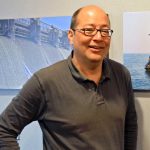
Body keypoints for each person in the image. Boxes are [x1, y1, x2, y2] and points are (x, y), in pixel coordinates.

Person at [0, 5, 137, 150]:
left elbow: (130, 126)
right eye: (88, 30)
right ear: (71, 36)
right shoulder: (45, 81)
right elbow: (3, 130)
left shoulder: (122, 74)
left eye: (104, 31)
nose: (98, 37)